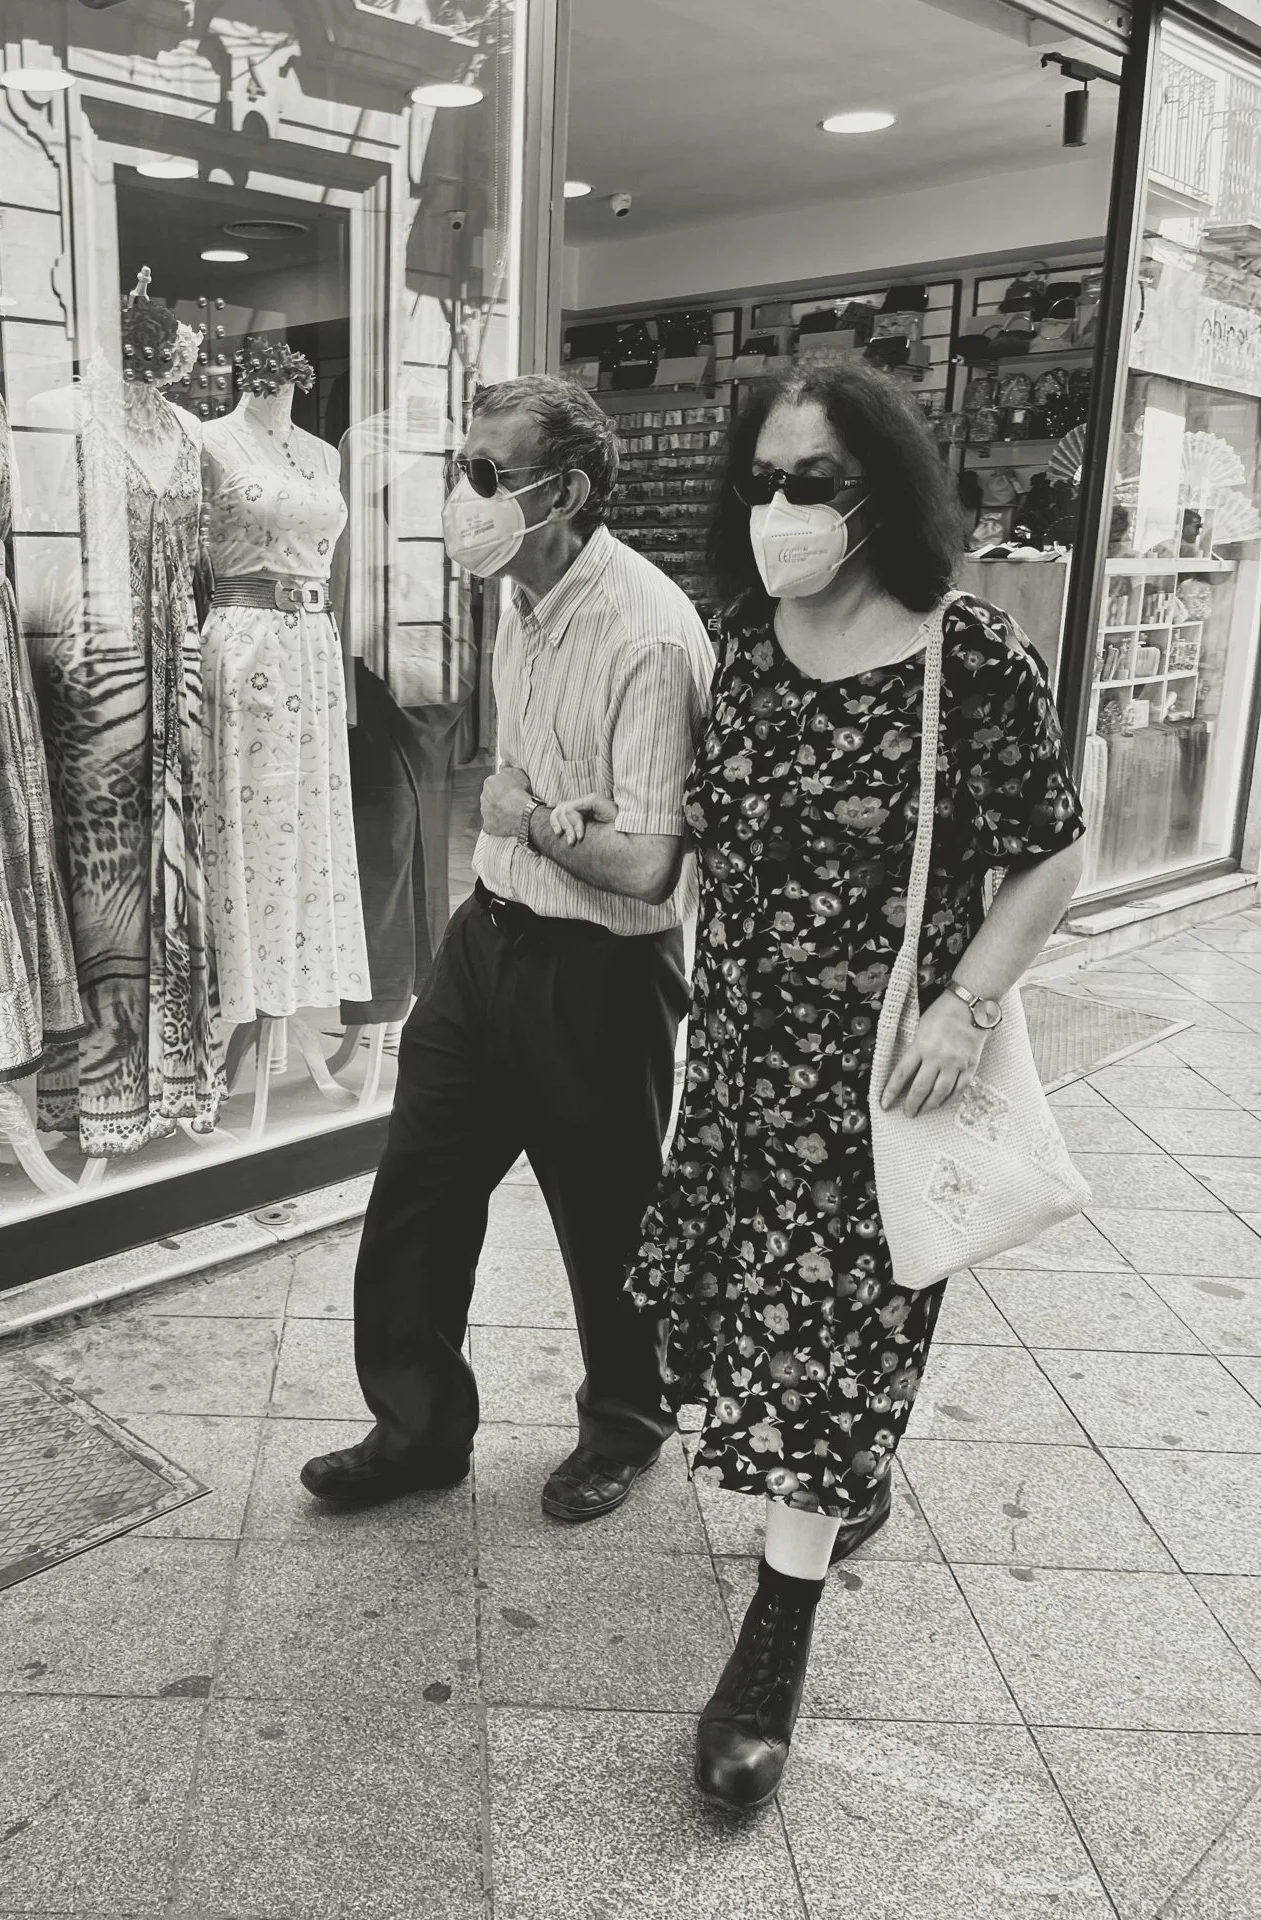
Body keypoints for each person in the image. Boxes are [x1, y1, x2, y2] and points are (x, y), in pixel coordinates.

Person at [570, 360, 1085, 1807]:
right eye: (764, 479)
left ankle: (774, 1636)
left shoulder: (963, 656)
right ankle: (842, 1480)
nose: (780, 507)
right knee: (735, 1326)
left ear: (881, 496)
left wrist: (966, 1003)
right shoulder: (742, 645)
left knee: (830, 1344)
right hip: (736, 1068)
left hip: (877, 1086)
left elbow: (1052, 849)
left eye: (816, 482)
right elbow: (702, 852)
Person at [301, 375, 714, 1521]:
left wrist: (527, 816)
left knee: (608, 1217)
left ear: (566, 490)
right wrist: (530, 817)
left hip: (600, 970)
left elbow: (644, 862)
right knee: (417, 1196)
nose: (461, 493)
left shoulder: (646, 634)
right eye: (461, 467)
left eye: (487, 473)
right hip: (486, 940)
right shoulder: (521, 597)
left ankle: (628, 1423)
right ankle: (418, 1429)